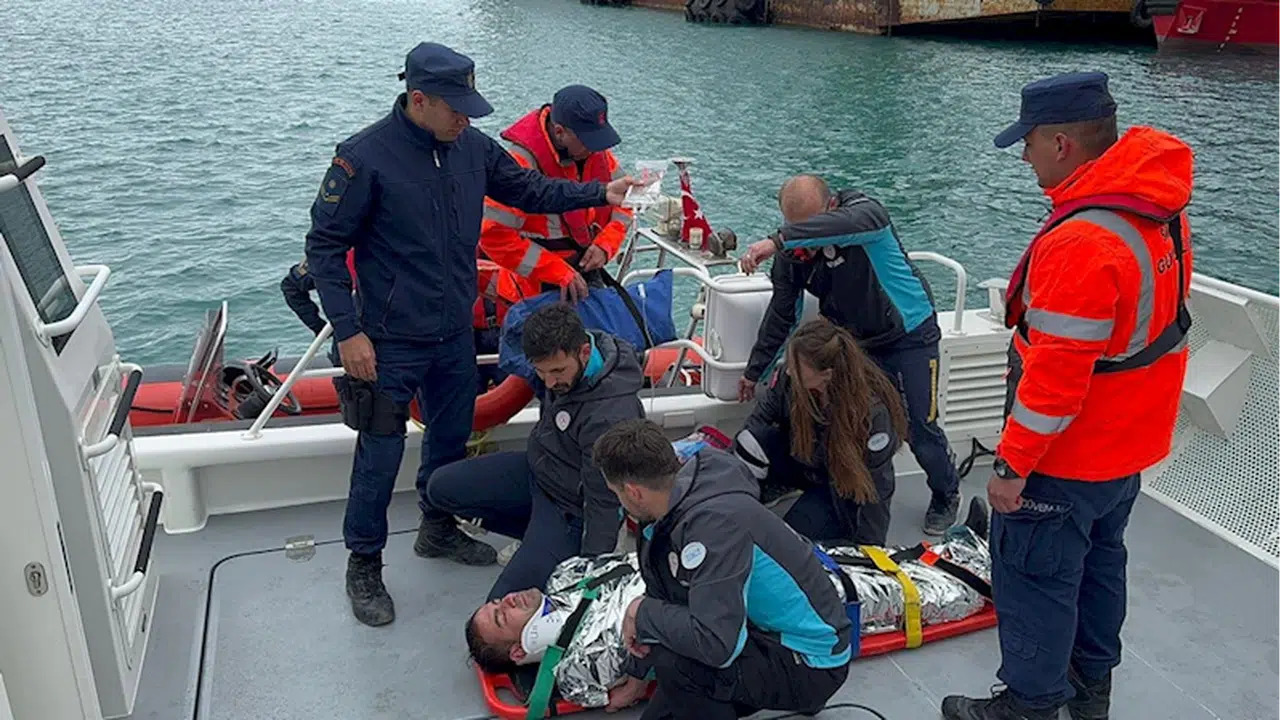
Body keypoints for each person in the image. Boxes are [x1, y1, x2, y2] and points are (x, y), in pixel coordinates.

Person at [304, 42, 640, 628]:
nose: (466, 118)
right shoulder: (364, 158)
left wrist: (598, 193)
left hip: (454, 331)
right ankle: (364, 564)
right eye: (456, 108)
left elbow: (530, 191)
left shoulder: (473, 149)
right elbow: (325, 248)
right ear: (419, 100)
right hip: (388, 339)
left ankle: (435, 528)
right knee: (379, 455)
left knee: (450, 436)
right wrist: (350, 332)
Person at [940, 72, 1194, 720]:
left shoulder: (1082, 242)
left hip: (1067, 458)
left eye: (1027, 143)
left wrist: (1011, 467)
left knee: (1035, 579)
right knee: (1101, 567)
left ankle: (1029, 705)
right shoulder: (1158, 210)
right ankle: (1090, 693)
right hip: (1127, 447)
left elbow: (1056, 381)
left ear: (1061, 144)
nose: (1024, 157)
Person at [464, 498, 994, 713]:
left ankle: (956, 546)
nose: (506, 600)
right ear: (521, 650)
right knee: (869, 596)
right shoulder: (576, 661)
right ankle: (983, 574)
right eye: (502, 616)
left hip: (716, 572)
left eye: (497, 603)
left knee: (838, 559)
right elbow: (630, 666)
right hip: (721, 601)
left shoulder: (567, 577)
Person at [737, 175, 963, 536]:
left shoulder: (866, 216)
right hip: (851, 342)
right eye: (796, 228)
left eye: (810, 227)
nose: (807, 240)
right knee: (819, 411)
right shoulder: (793, 254)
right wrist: (754, 372)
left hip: (907, 335)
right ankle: (803, 477)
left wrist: (779, 239)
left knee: (918, 425)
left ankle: (946, 491)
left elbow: (852, 222)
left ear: (831, 208)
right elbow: (782, 314)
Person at [589, 418, 853, 719]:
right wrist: (637, 677)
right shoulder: (668, 509)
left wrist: (641, 612)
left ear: (633, 492)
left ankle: (796, 695)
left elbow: (716, 644)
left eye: (616, 493)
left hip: (812, 661)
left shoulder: (714, 527)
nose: (619, 502)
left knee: (674, 663)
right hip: (761, 631)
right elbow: (666, 594)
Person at [425, 302, 645, 601]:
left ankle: (555, 547)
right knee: (439, 488)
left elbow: (604, 500)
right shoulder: (565, 361)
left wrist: (592, 569)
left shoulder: (610, 416)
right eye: (541, 372)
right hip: (537, 471)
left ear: (584, 352)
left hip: (570, 508)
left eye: (557, 371)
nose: (550, 382)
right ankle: (533, 538)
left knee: (499, 603)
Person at [732, 318, 908, 546]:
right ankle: (758, 497)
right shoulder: (791, 378)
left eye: (797, 367)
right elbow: (762, 416)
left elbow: (877, 485)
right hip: (805, 461)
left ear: (827, 373)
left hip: (839, 485)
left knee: (792, 536)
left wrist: (871, 547)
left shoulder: (873, 414)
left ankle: (830, 519)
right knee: (749, 440)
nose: (789, 372)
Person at [478, 85, 633, 304]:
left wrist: (605, 245)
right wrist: (556, 271)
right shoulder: (519, 165)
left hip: (584, 269)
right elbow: (493, 236)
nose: (595, 149)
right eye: (589, 141)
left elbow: (627, 202)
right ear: (559, 132)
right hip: (533, 287)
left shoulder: (592, 152)